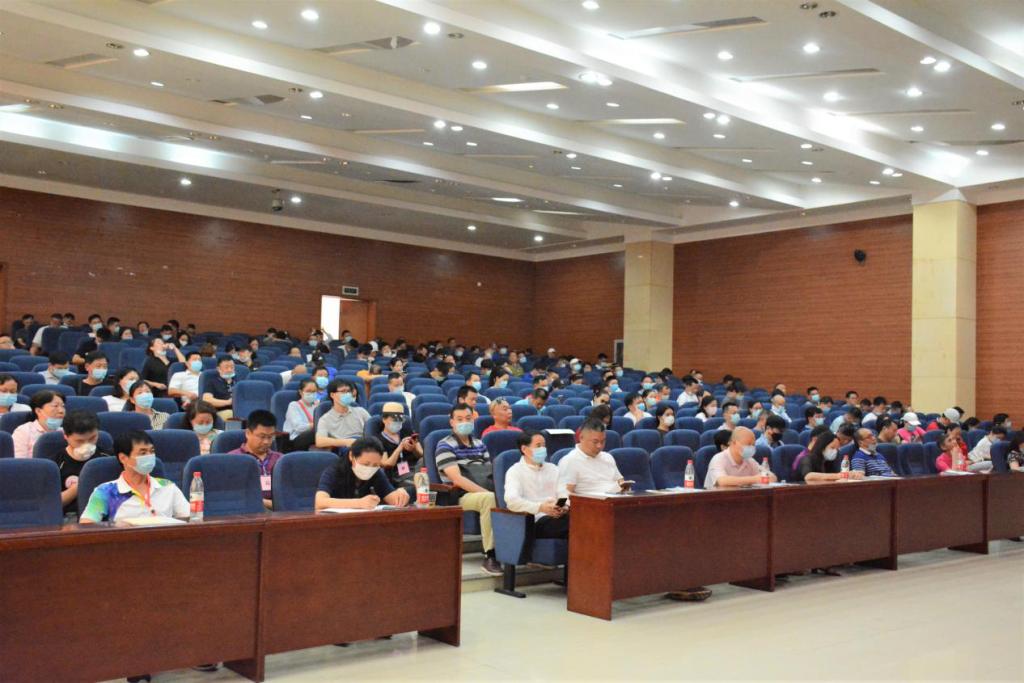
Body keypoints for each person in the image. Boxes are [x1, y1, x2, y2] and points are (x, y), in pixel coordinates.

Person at [436, 404, 500, 575]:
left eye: (468, 418)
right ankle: (490, 555)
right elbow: (457, 479)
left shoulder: (480, 444)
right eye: (460, 419)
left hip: (483, 489)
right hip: (460, 496)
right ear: (452, 422)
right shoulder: (444, 445)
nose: (464, 422)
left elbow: (489, 472)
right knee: (489, 499)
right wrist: (486, 493)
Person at [80, 431, 189, 523]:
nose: (150, 457)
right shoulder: (106, 491)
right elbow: (87, 525)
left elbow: (190, 518)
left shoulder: (167, 486)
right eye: (143, 453)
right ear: (123, 458)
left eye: (152, 451)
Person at [314, 436, 411, 510]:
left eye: (375, 465)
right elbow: (320, 502)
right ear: (351, 456)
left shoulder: (376, 472)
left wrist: (400, 496)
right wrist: (359, 503)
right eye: (366, 464)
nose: (370, 468)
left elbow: (391, 497)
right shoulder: (334, 471)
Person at [504, 431, 567, 538]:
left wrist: (563, 506)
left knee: (581, 518)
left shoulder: (554, 469)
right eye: (538, 446)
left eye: (544, 445)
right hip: (535, 519)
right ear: (524, 449)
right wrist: (540, 507)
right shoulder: (515, 471)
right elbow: (512, 501)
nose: (543, 449)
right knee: (572, 524)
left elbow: (564, 493)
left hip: (558, 516)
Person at [53, 410, 108, 515]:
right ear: (66, 436)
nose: (87, 445)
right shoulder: (55, 464)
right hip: (71, 515)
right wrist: (81, 485)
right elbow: (50, 504)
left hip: (107, 513)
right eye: (79, 441)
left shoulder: (108, 458)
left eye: (92, 438)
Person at [227, 410, 281, 508]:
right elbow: (232, 495)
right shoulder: (232, 459)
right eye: (262, 436)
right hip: (246, 510)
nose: (266, 442)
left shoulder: (281, 460)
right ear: (248, 433)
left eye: (270, 437)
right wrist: (268, 504)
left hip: (280, 512)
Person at [371, 401, 422, 498]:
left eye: (400, 419)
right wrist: (400, 447)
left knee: (424, 464)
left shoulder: (407, 433)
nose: (397, 422)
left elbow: (422, 455)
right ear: (384, 419)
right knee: (421, 483)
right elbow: (386, 464)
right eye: (394, 419)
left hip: (415, 469)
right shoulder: (378, 439)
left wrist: (414, 448)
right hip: (398, 474)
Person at [705, 427, 777, 488]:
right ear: (734, 443)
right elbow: (722, 481)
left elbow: (772, 477)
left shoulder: (749, 460)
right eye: (748, 444)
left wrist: (763, 477)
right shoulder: (718, 459)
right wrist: (754, 479)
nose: (752, 448)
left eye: (753, 445)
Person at [793, 427, 865, 484]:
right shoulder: (807, 458)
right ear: (822, 447)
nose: (835, 451)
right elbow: (808, 476)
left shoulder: (831, 459)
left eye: (837, 449)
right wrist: (839, 475)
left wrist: (852, 474)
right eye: (832, 448)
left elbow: (839, 473)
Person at [316, 379, 370, 451]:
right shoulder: (325, 419)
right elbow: (319, 441)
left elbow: (373, 429)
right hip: (344, 448)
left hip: (364, 445)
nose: (347, 394)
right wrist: (345, 442)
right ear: (332, 395)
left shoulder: (361, 411)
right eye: (343, 391)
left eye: (348, 391)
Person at [13, 390, 65, 457]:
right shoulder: (24, 431)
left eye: (63, 406)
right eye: (55, 406)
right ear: (38, 411)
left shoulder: (65, 432)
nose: (61, 411)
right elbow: (19, 461)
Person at [283, 378, 320, 452]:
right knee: (316, 432)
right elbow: (298, 427)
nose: (311, 394)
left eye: (314, 391)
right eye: (308, 391)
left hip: (312, 437)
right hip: (294, 439)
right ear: (301, 392)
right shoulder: (294, 405)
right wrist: (316, 425)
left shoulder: (317, 405)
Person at [202, 355, 237, 419]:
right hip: (220, 412)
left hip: (238, 410)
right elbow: (207, 400)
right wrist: (228, 402)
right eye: (226, 367)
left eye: (232, 367)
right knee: (230, 413)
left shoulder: (238, 382)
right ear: (219, 369)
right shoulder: (212, 382)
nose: (230, 370)